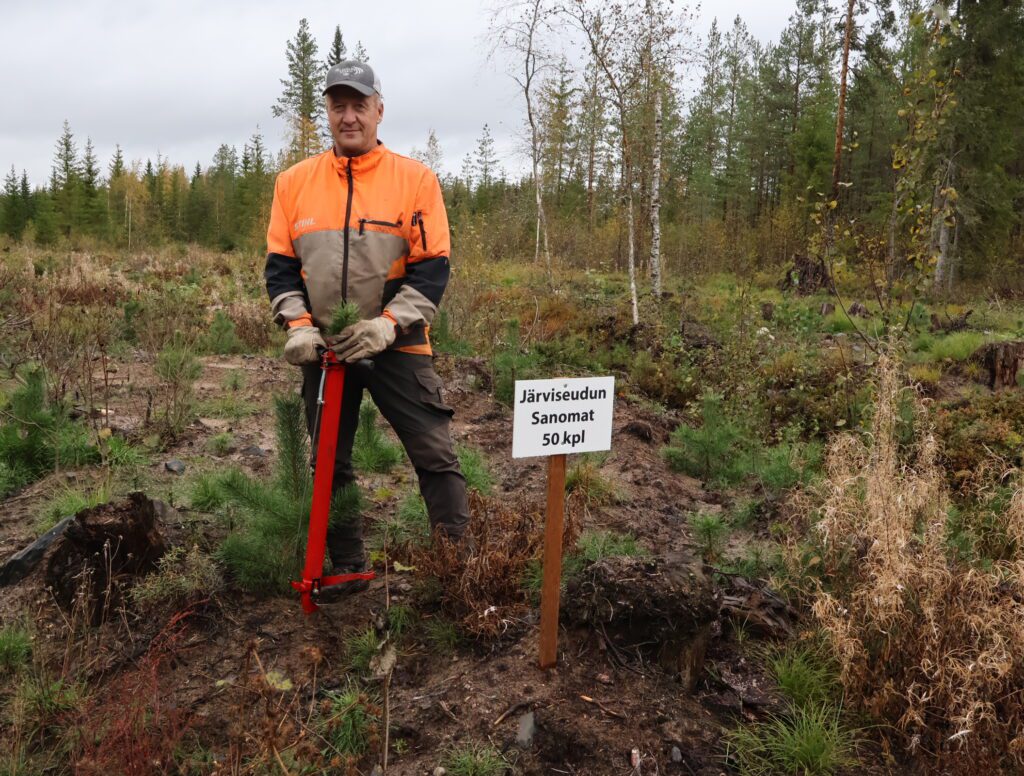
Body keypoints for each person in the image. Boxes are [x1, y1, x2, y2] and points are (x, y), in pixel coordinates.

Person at [264, 59, 470, 595]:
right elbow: (281, 268)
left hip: (397, 345)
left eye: (359, 105)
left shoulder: (415, 180)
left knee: (435, 455)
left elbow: (432, 269)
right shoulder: (293, 184)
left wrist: (386, 325)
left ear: (379, 111)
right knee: (329, 463)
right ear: (327, 113)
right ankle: (350, 565)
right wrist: (300, 327)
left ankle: (458, 571)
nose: (349, 116)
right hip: (326, 349)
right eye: (339, 105)